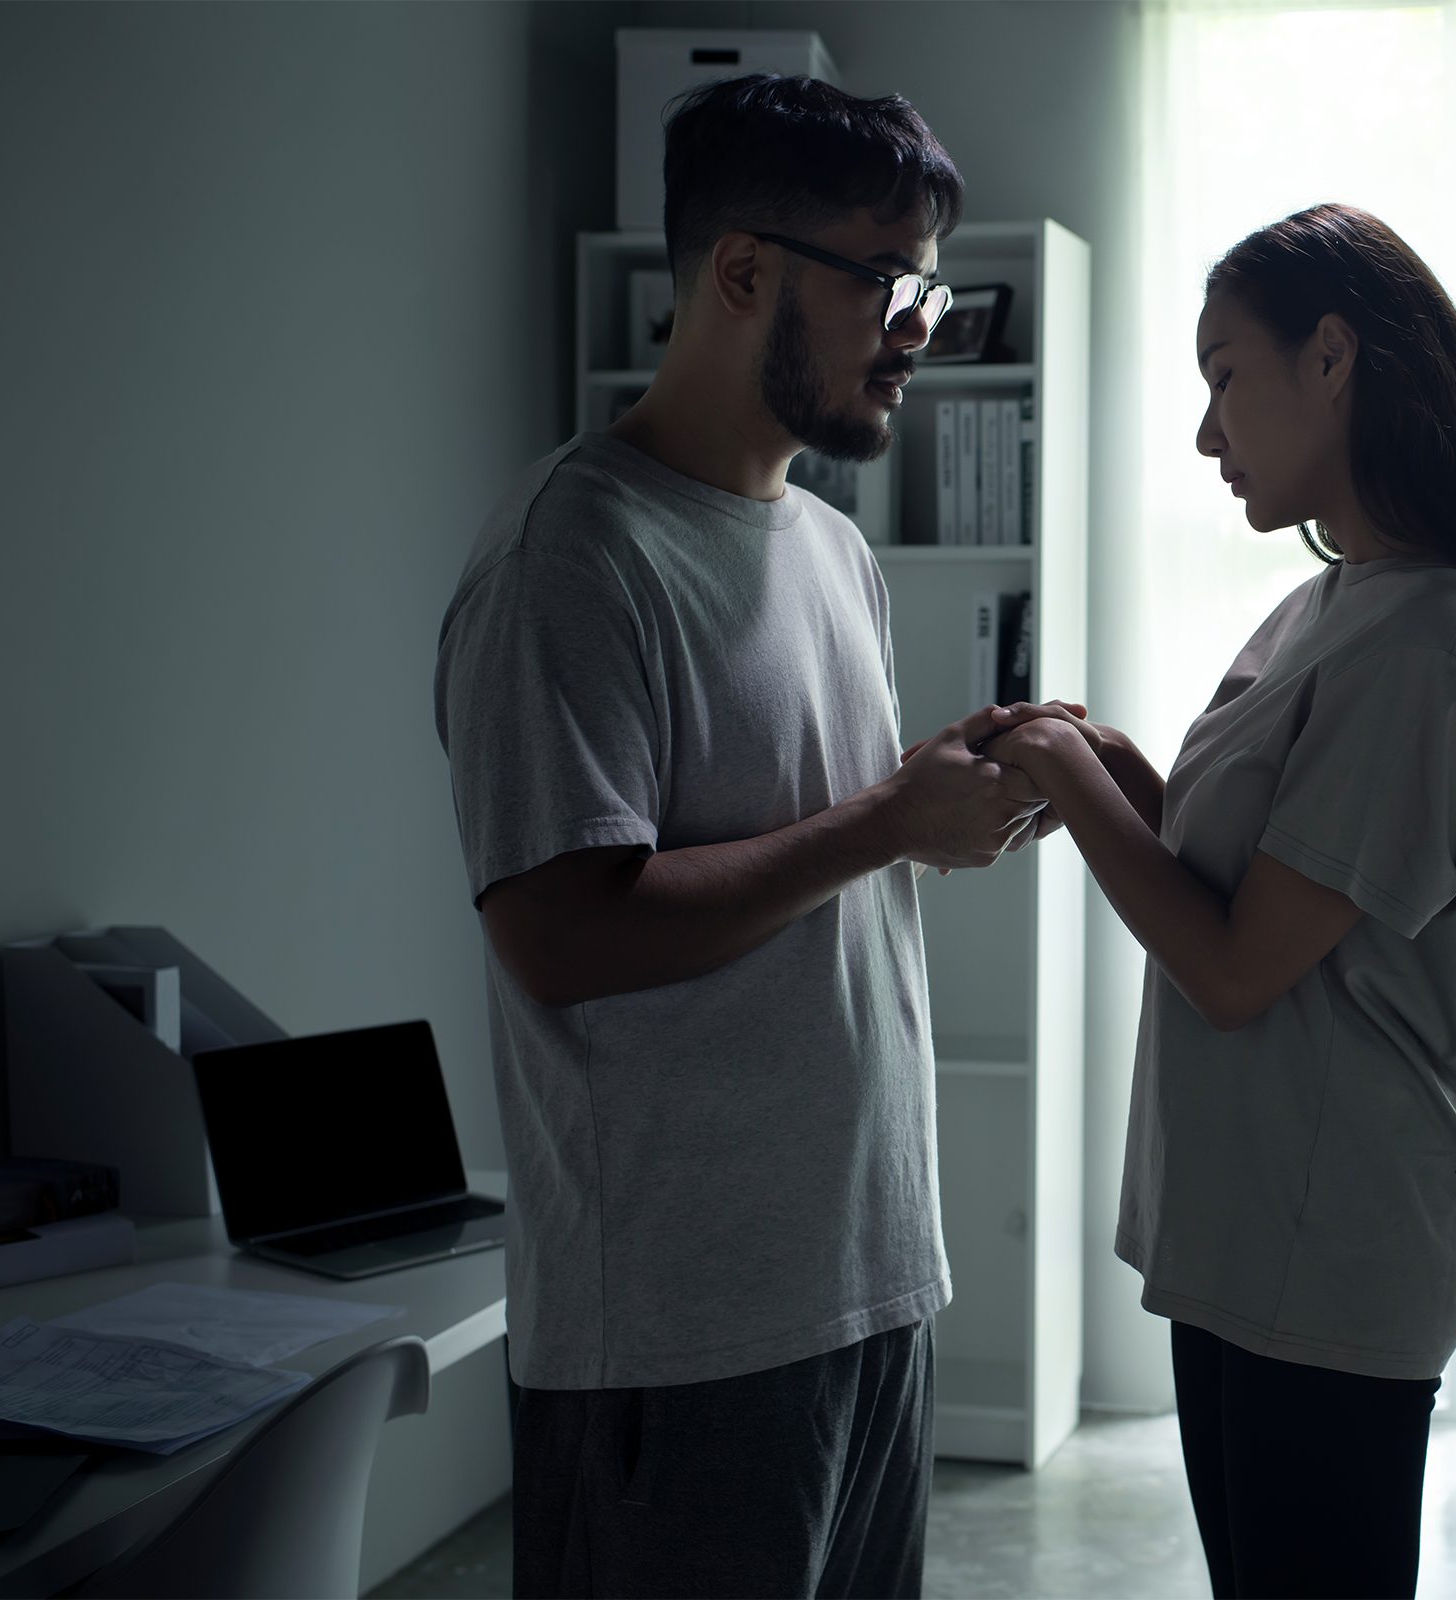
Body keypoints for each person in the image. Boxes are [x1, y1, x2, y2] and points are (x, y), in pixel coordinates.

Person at [433, 76, 1051, 1599]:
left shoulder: (836, 552)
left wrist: (924, 804)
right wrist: (882, 823)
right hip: (679, 1339)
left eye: (933, 284)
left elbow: (817, 837)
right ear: (741, 272)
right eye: (889, 282)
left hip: (873, 1287)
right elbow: (562, 933)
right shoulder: (572, 555)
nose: (922, 325)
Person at [980, 202, 1456, 1599]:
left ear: (1332, 357)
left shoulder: (1431, 631)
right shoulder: (1338, 599)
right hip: (1261, 1231)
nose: (1209, 434)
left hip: (1334, 1254)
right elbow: (1246, 878)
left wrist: (1070, 780)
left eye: (1223, 376)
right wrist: (1110, 767)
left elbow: (1238, 968)